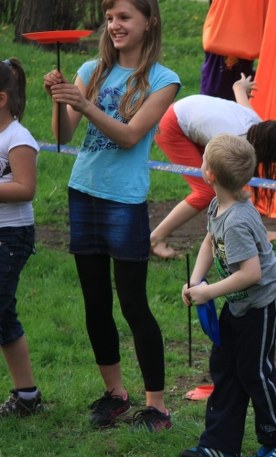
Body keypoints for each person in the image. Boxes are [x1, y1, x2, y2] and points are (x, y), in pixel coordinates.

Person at [43, 0, 180, 431]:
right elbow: (63, 136)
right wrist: (61, 98)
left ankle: (156, 405)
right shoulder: (91, 70)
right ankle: (115, 394)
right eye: (109, 19)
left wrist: (84, 107)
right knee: (96, 302)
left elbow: (129, 135)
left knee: (134, 303)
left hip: (123, 201)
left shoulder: (163, 79)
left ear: (148, 23)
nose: (115, 26)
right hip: (83, 193)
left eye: (124, 18)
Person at [179, 134, 276, 457]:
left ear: (210, 175)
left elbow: (251, 274)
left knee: (254, 371)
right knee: (225, 367)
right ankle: (220, 445)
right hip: (241, 302)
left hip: (264, 302)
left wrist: (210, 291)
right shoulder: (220, 205)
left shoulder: (238, 220)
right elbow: (208, 240)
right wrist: (196, 280)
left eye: (203, 160)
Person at [150, 73, 276, 259]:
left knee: (230, 185)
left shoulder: (256, 125)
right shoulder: (235, 140)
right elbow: (213, 162)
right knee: (206, 191)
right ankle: (156, 238)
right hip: (172, 125)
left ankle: (254, 233)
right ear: (268, 151)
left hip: (187, 112)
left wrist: (241, 86)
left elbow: (239, 92)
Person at [0, 58, 43, 418]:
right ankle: (27, 396)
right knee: (4, 318)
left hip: (10, 238)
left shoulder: (18, 138)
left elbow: (25, 188)